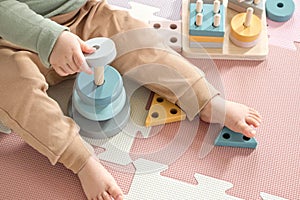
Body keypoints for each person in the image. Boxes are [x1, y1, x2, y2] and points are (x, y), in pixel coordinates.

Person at [0, 0, 262, 199]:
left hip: (83, 13)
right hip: (9, 42)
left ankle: (204, 100)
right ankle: (81, 161)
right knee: (13, 89)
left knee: (137, 38)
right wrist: (51, 38)